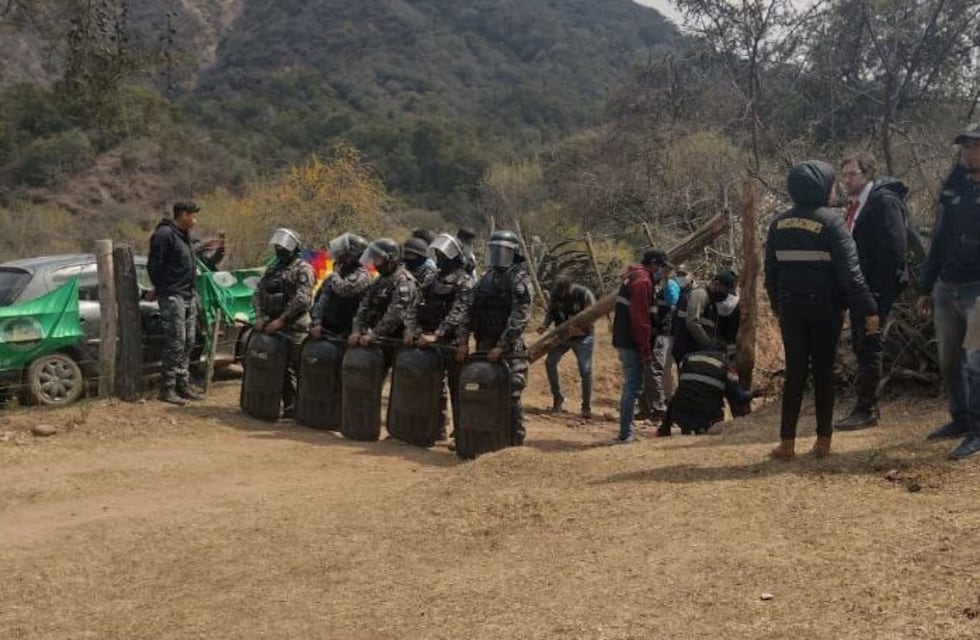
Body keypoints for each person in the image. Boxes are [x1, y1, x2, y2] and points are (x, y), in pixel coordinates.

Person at [765, 160, 878, 460]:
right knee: (823, 373)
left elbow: (770, 274)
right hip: (825, 310)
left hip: (791, 309)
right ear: (822, 187)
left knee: (795, 374)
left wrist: (779, 306)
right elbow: (851, 274)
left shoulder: (778, 224)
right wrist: (868, 308)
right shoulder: (832, 223)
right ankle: (822, 442)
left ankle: (787, 443)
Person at [917, 125, 980, 459]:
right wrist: (926, 287)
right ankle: (960, 419)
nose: (967, 154)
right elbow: (938, 240)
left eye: (974, 148)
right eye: (965, 148)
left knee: (976, 361)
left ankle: (977, 431)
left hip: (978, 292)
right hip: (947, 286)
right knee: (949, 359)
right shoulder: (954, 189)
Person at [835, 151, 909, 431]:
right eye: (844, 174)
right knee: (862, 345)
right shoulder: (856, 206)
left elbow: (894, 250)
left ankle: (867, 409)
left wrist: (876, 294)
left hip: (874, 291)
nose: (846, 180)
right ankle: (864, 406)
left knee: (869, 345)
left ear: (868, 174)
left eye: (852, 174)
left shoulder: (883, 203)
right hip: (859, 290)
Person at [458, 230, 533, 446]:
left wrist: (502, 345)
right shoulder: (485, 279)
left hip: (509, 349)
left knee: (511, 392)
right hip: (483, 345)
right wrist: (463, 341)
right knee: (479, 391)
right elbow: (468, 311)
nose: (497, 255)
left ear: (514, 253)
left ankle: (514, 441)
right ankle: (480, 438)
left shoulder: (519, 279)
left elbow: (519, 318)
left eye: (502, 251)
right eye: (494, 250)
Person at [404, 233, 475, 439]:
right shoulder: (432, 277)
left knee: (457, 388)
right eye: (438, 253)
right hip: (427, 338)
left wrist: (438, 334)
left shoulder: (464, 280)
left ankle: (462, 433)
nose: (440, 257)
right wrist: (412, 329)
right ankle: (436, 428)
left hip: (452, 341)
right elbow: (415, 303)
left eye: (444, 253)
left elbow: (460, 312)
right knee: (431, 386)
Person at [252, 228, 315, 419]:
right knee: (276, 367)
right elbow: (258, 293)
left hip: (294, 327)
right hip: (271, 325)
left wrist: (282, 320)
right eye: (277, 246)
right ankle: (281, 405)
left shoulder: (303, 269)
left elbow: (302, 299)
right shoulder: (273, 268)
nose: (280, 249)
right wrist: (260, 316)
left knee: (296, 368)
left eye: (283, 246)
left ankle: (300, 409)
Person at [147, 201, 204, 406]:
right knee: (176, 341)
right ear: (183, 215)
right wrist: (162, 288)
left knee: (189, 341)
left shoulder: (185, 236)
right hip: (173, 295)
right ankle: (167, 388)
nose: (195, 220)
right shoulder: (164, 235)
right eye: (193, 215)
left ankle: (183, 384)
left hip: (188, 294)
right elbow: (154, 266)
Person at [612, 248, 671, 444]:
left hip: (625, 339)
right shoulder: (642, 282)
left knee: (632, 386)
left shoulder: (633, 277)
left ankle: (625, 431)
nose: (662, 272)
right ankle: (625, 433)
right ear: (654, 264)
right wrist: (645, 349)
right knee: (632, 387)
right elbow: (640, 320)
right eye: (662, 267)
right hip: (632, 341)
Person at [537, 275, 596, 418]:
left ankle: (586, 407)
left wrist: (582, 328)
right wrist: (544, 325)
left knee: (585, 370)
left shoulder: (584, 294)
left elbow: (593, 314)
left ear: (570, 287)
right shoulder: (556, 295)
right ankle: (558, 399)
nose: (562, 296)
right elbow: (550, 313)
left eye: (564, 293)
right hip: (562, 337)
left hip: (583, 337)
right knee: (550, 363)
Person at [656, 350, 752, 436]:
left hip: (679, 414)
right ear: (725, 354)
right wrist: (754, 393)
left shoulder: (689, 358)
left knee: (680, 395)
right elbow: (739, 398)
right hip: (706, 417)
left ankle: (664, 429)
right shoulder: (727, 366)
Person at [349, 238, 417, 350]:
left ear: (390, 260)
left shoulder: (404, 281)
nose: (374, 263)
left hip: (392, 342)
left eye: (378, 259)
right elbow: (364, 306)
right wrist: (356, 330)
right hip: (371, 339)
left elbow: (395, 314)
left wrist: (374, 335)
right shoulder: (379, 280)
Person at [638, 266, 681, 420]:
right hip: (651, 332)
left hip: (663, 333)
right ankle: (646, 406)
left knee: (657, 369)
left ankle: (660, 406)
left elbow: (672, 300)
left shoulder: (671, 285)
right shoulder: (650, 284)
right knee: (647, 369)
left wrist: (667, 281)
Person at [310, 232, 371, 339]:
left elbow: (345, 290)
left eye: (344, 251)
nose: (339, 254)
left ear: (352, 255)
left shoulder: (362, 275)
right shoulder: (336, 274)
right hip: (326, 330)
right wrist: (317, 323)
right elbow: (320, 300)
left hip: (350, 333)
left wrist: (335, 275)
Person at [672, 270, 735, 365]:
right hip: (688, 350)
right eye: (724, 291)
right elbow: (692, 323)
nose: (725, 295)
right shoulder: (700, 294)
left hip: (695, 350)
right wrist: (709, 344)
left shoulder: (711, 299)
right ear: (716, 284)